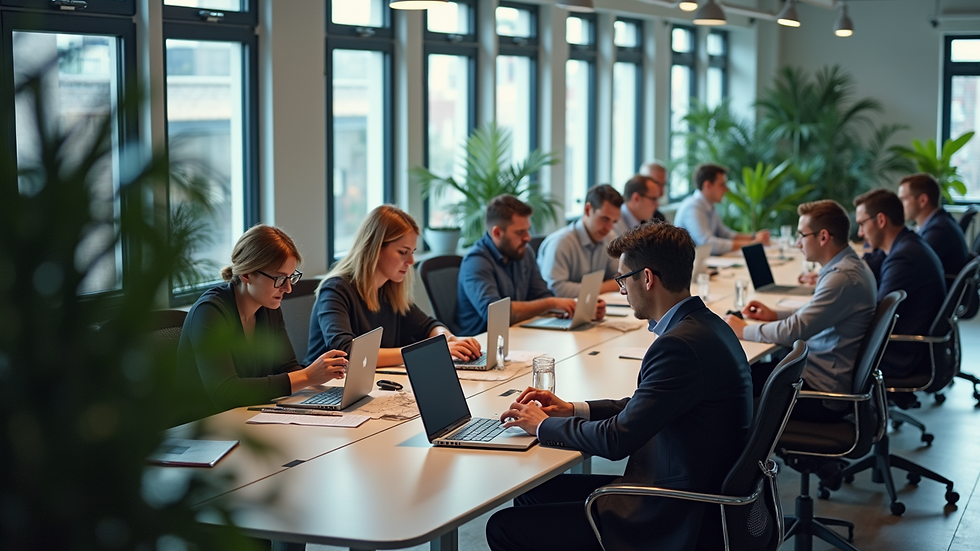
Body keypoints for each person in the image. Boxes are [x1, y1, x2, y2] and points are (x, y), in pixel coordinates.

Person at [486, 222, 752, 551]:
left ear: (647, 278)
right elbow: (647, 405)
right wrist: (573, 409)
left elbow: (617, 440)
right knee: (534, 494)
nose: (622, 290)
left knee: (502, 527)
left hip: (672, 510)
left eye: (623, 279)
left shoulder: (679, 346)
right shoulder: (707, 326)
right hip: (690, 485)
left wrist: (543, 425)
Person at [724, 200, 877, 420]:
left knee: (732, 389)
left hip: (821, 390)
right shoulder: (846, 265)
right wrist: (775, 314)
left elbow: (793, 332)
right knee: (741, 378)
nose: (798, 243)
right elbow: (816, 311)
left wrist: (743, 330)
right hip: (817, 372)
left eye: (802, 235)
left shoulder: (842, 277)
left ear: (823, 237)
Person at [177, 225, 349, 418]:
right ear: (246, 274)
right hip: (205, 426)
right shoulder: (209, 312)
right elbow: (224, 393)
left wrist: (319, 377)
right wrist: (307, 376)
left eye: (291, 277)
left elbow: (287, 367)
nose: (288, 288)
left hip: (248, 415)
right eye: (279, 278)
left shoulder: (268, 307)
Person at [306, 205, 481, 368]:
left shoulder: (389, 289)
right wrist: (424, 351)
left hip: (370, 382)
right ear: (375, 249)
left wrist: (449, 339)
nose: (411, 261)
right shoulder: (335, 290)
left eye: (412, 252)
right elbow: (349, 353)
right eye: (403, 252)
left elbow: (428, 326)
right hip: (327, 387)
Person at [456, 195, 605, 336]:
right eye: (520, 232)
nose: (527, 238)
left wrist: (575, 309)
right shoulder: (476, 262)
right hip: (481, 344)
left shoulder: (523, 252)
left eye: (528, 230)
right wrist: (550, 303)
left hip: (520, 335)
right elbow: (495, 315)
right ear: (497, 233)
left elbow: (541, 295)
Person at [854, 189, 946, 380]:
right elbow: (874, 260)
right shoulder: (907, 243)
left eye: (862, 224)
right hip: (910, 347)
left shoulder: (904, 258)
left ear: (881, 220)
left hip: (901, 356)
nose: (860, 233)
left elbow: (876, 318)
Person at [537, 184, 623, 297]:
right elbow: (557, 290)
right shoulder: (560, 243)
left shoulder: (609, 238)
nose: (609, 228)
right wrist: (604, 287)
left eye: (614, 221)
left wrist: (590, 289)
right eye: (605, 219)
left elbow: (621, 278)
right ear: (587, 210)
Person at [674, 163, 770, 255]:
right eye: (722, 185)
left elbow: (725, 234)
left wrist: (753, 237)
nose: (726, 189)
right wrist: (752, 244)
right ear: (707, 185)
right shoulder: (692, 207)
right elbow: (708, 244)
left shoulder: (709, 205)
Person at [897, 173, 969, 278]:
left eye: (903, 199)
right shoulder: (940, 221)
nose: (899, 205)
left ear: (923, 200)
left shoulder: (938, 230)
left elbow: (909, 265)